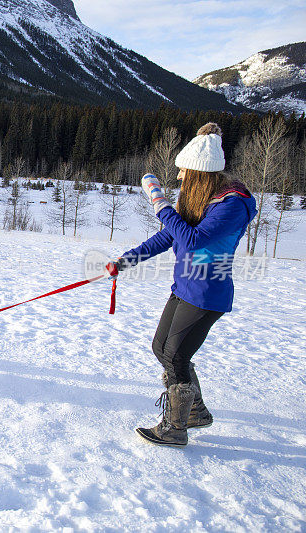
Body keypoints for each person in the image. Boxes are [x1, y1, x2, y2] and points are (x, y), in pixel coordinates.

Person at [108, 123, 257, 447]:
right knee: (162, 348)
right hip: (185, 286)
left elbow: (192, 241)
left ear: (200, 174)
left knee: (176, 356)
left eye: (185, 174)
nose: (181, 180)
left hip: (208, 292)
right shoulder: (201, 198)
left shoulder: (230, 205)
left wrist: (161, 204)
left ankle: (175, 428)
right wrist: (128, 259)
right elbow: (170, 235)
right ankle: (196, 411)